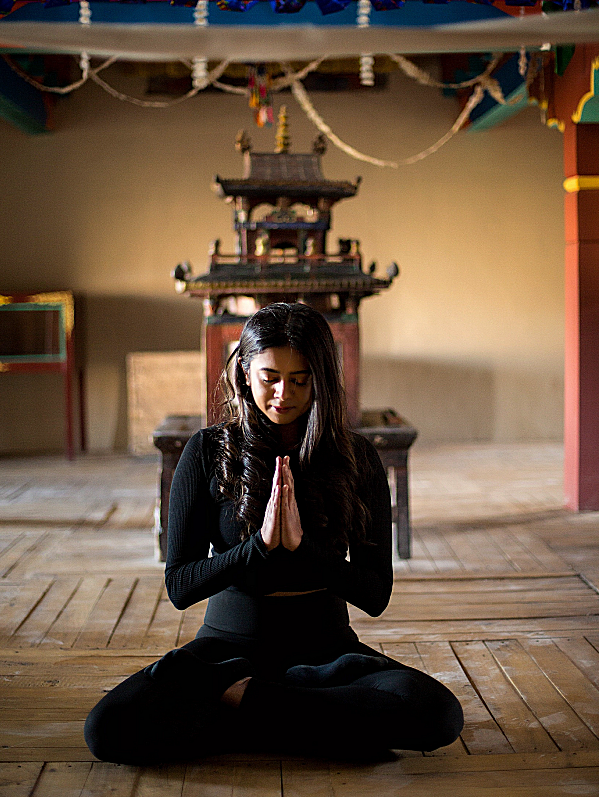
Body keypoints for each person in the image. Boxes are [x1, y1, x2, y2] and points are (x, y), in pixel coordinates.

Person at [84, 302, 463, 765]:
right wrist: (257, 549)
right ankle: (311, 725)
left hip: (328, 655)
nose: (285, 394)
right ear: (244, 371)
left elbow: (375, 594)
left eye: (301, 380)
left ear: (321, 378)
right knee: (108, 729)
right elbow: (180, 586)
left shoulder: (357, 458)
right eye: (270, 378)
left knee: (438, 714)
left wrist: (305, 552)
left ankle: (249, 709)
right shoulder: (206, 451)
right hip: (225, 657)